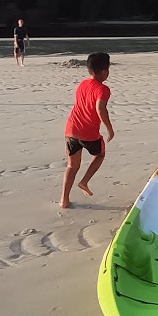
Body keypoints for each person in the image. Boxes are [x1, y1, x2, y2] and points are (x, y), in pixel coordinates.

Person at [60, 52, 113, 208]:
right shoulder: (103, 89)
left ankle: (64, 200)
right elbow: (100, 109)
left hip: (71, 130)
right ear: (104, 72)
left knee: (72, 166)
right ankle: (84, 181)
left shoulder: (82, 84)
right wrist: (109, 129)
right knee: (100, 154)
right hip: (88, 133)